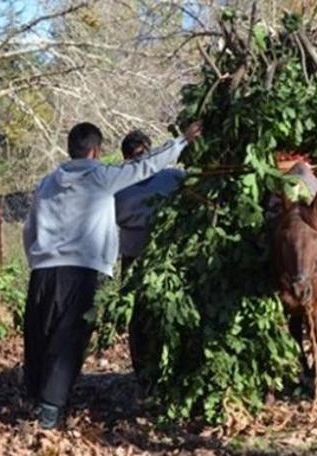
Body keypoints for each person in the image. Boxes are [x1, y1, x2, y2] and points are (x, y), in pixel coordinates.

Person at [22, 120, 202, 429]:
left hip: (43, 270)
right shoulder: (102, 177)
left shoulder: (47, 183)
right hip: (82, 271)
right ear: (96, 151)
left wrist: (36, 258)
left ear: (71, 149)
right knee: (68, 338)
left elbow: (29, 228)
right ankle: (49, 410)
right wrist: (181, 141)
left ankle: (35, 397)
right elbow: (145, 168)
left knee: (40, 333)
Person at [115, 129, 187, 270]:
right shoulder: (117, 187)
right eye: (140, 155)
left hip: (165, 253)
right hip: (132, 254)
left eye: (148, 154)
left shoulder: (173, 176)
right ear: (127, 159)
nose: (145, 161)